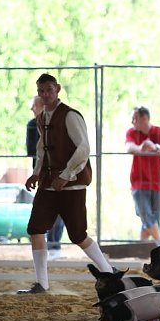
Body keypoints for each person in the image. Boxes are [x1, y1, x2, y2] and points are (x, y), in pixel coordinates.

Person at [19, 73, 113, 295]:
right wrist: (36, 173)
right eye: (41, 91)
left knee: (78, 234)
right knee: (35, 228)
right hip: (49, 184)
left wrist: (67, 174)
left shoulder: (70, 116)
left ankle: (109, 272)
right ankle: (42, 283)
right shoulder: (41, 118)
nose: (45, 94)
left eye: (49, 90)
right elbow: (42, 149)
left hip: (73, 185)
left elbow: (83, 148)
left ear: (57, 89)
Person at [26, 95, 65, 259]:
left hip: (58, 172)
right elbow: (32, 150)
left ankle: (55, 244)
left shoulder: (58, 123)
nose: (32, 109)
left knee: (60, 209)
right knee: (46, 210)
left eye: (34, 105)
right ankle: (49, 245)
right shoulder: (33, 124)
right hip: (43, 173)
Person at [125, 106, 160, 244]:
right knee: (145, 214)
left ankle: (142, 248)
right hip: (139, 180)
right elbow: (128, 147)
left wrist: (155, 147)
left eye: (135, 118)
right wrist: (140, 148)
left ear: (144, 118)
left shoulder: (159, 132)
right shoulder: (132, 132)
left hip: (157, 181)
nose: (132, 122)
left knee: (153, 219)